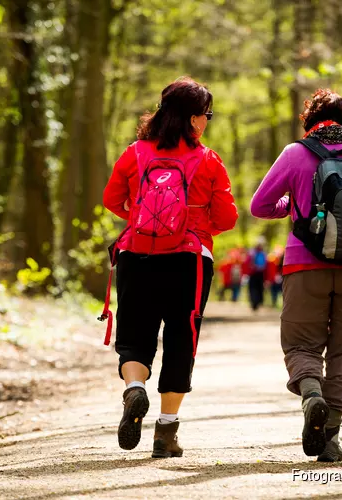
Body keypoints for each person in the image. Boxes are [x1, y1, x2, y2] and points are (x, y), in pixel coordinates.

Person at [250, 89, 342, 462]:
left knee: (301, 343)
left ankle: (311, 391)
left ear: (310, 123)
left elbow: (260, 205)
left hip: (305, 262)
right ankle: (329, 436)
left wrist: (293, 207)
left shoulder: (295, 153)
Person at [102, 77, 238, 458]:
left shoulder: (135, 153)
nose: (207, 122)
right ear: (195, 119)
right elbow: (227, 218)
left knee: (134, 336)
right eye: (206, 115)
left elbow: (111, 198)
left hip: (135, 254)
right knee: (181, 339)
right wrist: (195, 223)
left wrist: (142, 217)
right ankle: (165, 433)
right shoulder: (208, 160)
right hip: (189, 261)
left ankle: (135, 389)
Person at [247, 238, 267, 311]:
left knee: (255, 288)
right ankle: (255, 303)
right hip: (257, 273)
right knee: (256, 288)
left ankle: (255, 303)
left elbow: (247, 262)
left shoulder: (253, 252)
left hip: (256, 273)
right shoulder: (262, 253)